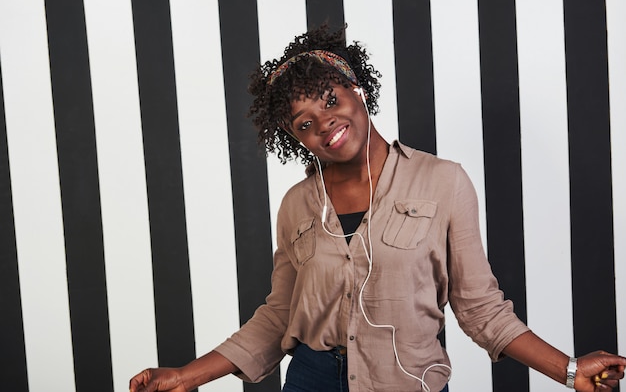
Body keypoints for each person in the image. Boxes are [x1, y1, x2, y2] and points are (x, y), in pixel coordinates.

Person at [129, 25, 625, 392]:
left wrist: (567, 368)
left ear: (355, 89)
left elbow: (480, 309)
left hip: (407, 380)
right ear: (295, 139)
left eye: (329, 100)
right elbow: (279, 316)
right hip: (311, 379)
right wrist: (187, 375)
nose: (323, 122)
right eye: (302, 123)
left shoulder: (442, 181)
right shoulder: (297, 205)